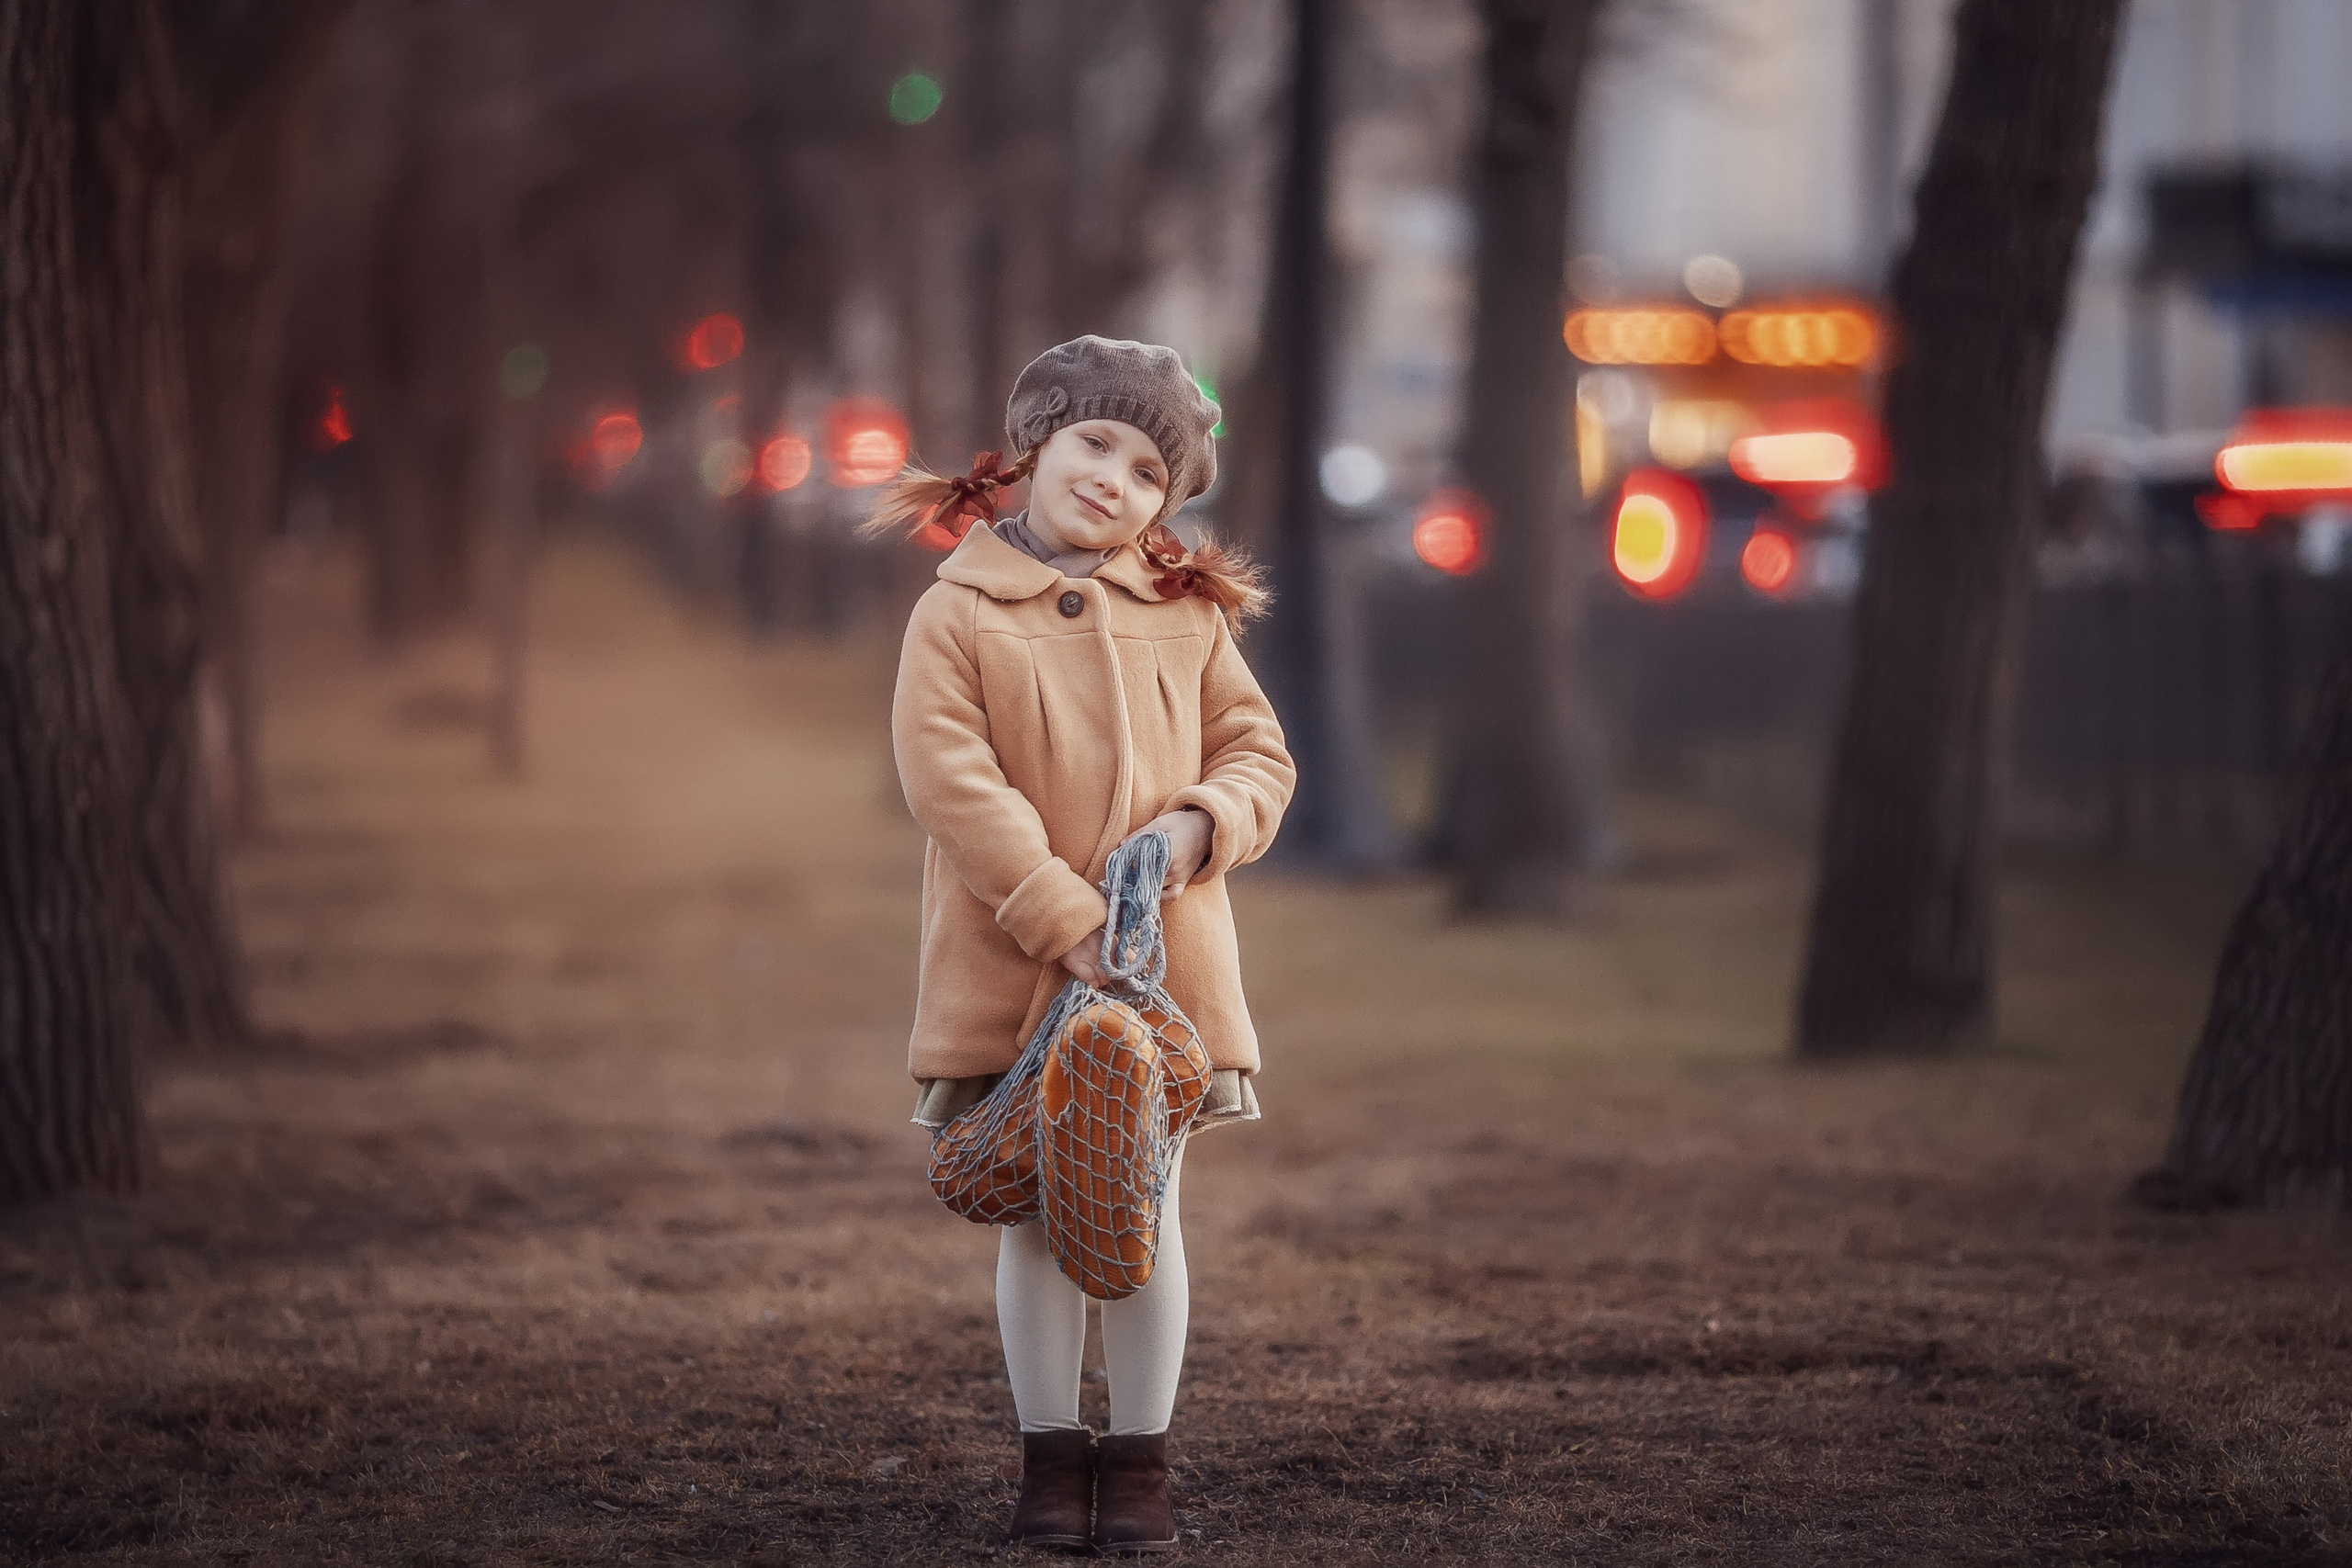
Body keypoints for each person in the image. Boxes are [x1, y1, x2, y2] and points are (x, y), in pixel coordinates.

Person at [869, 336, 1295, 1553]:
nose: (1115, 478)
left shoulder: (1187, 615)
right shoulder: (956, 615)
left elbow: (1257, 756)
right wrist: (1068, 926)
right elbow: (955, 787)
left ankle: (1142, 1464)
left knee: (1145, 1211)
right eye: (1096, 443)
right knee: (1041, 1221)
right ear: (1037, 446)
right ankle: (1052, 1458)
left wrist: (1198, 827)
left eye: (1148, 470)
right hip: (1014, 973)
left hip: (1166, 978)